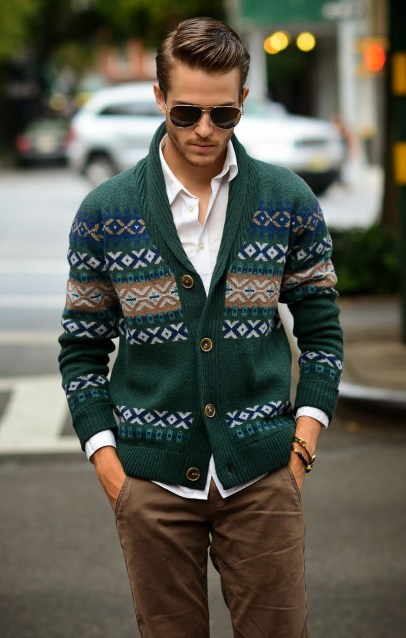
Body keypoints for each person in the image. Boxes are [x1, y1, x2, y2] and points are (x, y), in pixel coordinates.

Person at [58, 16, 343, 638]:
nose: (205, 130)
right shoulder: (105, 212)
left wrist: (301, 446)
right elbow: (81, 350)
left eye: (224, 114)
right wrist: (108, 464)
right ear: (160, 98)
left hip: (263, 474)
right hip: (150, 483)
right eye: (186, 113)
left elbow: (322, 333)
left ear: (244, 100)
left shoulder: (288, 200)